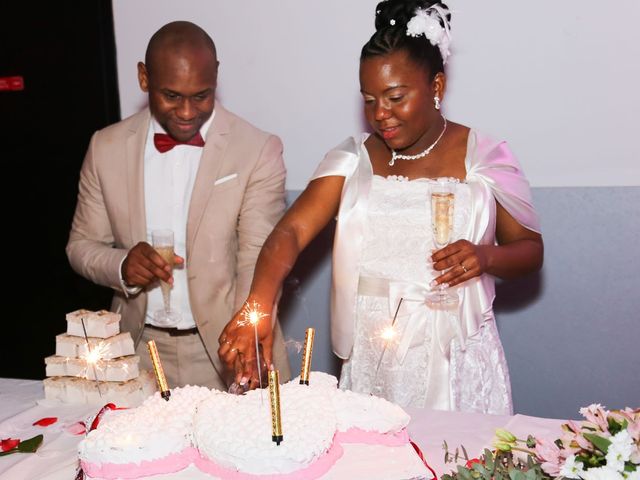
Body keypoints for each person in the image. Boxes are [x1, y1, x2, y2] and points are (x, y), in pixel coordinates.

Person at [218, 0, 542, 413]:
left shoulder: (484, 155)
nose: (380, 114)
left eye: (395, 97)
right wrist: (257, 307)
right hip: (375, 359)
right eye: (369, 100)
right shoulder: (353, 160)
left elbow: (531, 250)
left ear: (436, 88)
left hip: (457, 353)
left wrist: (485, 255)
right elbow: (291, 232)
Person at [66, 21, 291, 390]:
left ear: (216, 76)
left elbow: (258, 255)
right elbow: (80, 245)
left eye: (201, 96)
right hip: (135, 351)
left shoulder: (257, 149)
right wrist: (122, 265)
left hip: (226, 350)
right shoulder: (105, 147)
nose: (187, 112)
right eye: (171, 96)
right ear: (143, 78)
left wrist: (245, 335)